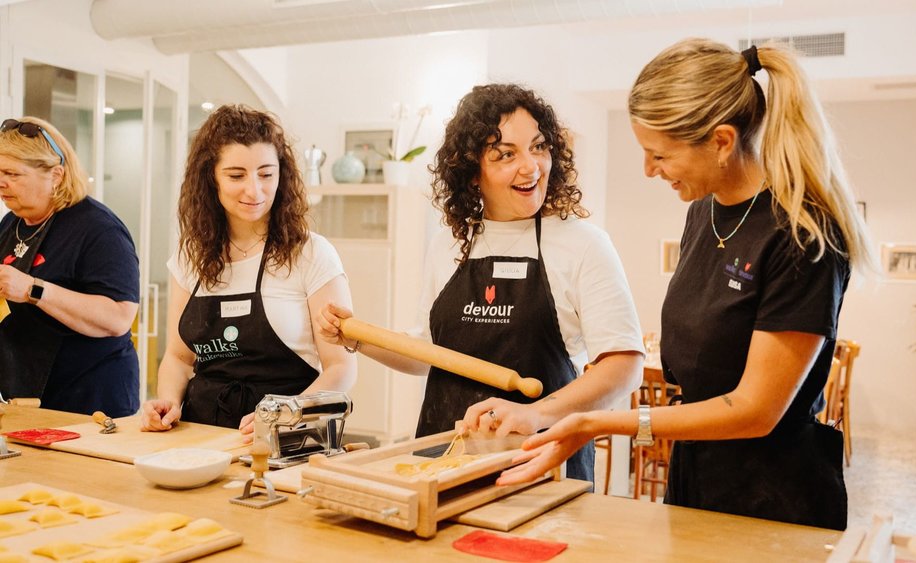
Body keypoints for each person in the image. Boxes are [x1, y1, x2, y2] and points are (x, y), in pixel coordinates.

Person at [495, 40, 874, 531]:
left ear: (721, 142)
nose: (649, 170)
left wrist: (596, 422)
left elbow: (755, 410)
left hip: (775, 497)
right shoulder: (703, 213)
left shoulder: (802, 235)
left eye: (659, 155)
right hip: (696, 476)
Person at [318, 84, 644, 483]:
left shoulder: (583, 244)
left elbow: (624, 366)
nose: (531, 167)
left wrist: (535, 413)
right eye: (506, 154)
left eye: (539, 147)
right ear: (472, 172)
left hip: (540, 464)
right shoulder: (450, 244)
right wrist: (356, 338)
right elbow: (429, 353)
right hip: (444, 459)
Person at [140, 104, 356, 435]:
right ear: (211, 178)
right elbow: (179, 358)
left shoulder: (311, 254)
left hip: (288, 439)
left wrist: (286, 414)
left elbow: (341, 367)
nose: (254, 190)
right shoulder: (191, 255)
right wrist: (168, 402)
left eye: (266, 174)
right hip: (200, 435)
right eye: (236, 175)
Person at [0, 117, 139, 417]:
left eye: (12, 173)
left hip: (92, 399)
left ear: (56, 175)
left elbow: (118, 318)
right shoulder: (11, 224)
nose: (2, 182)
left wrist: (33, 289)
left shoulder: (99, 229)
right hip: (29, 394)